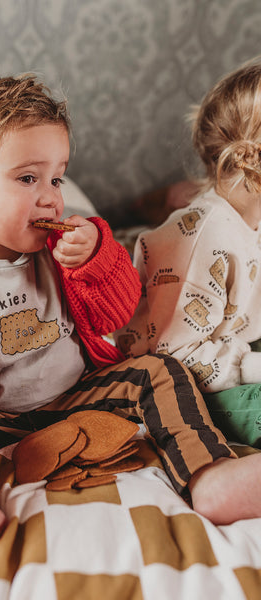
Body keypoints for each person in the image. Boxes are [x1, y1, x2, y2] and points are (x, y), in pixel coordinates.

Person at [0, 68, 261, 554]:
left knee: (159, 371)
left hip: (77, 395)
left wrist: (96, 258)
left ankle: (210, 475)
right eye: (28, 178)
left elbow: (116, 315)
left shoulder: (70, 245)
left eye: (58, 175)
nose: (52, 195)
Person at [114, 58, 261, 449]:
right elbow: (174, 353)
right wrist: (251, 367)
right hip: (185, 377)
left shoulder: (251, 221)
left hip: (230, 349)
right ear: (249, 157)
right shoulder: (208, 236)